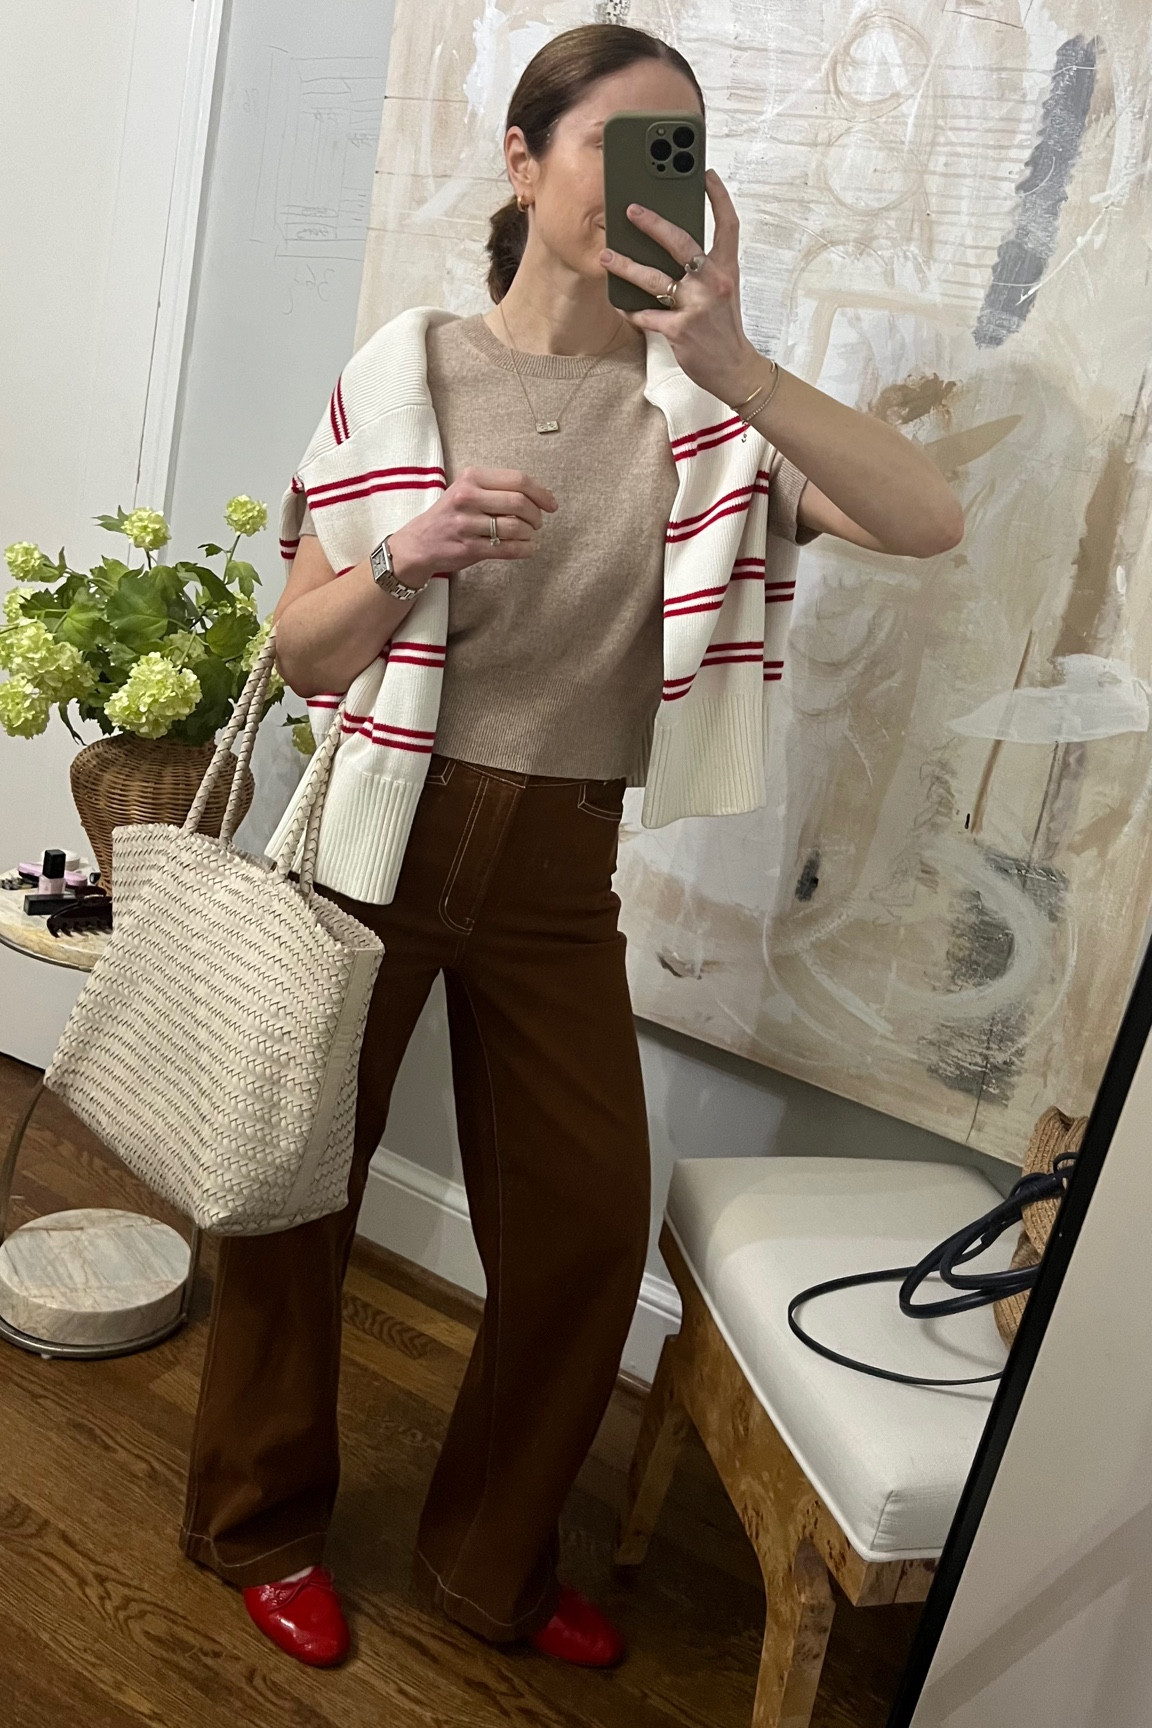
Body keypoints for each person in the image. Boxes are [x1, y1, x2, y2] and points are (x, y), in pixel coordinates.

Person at [178, 22, 964, 1674]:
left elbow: (925, 518)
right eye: (622, 139)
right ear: (525, 162)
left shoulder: (701, 424)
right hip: (377, 836)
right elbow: (304, 655)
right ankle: (258, 1524)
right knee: (289, 1196)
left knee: (590, 1224)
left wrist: (740, 359)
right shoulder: (405, 374)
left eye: (685, 143)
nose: (653, 174)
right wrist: (408, 554)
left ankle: (490, 1563)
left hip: (553, 872)